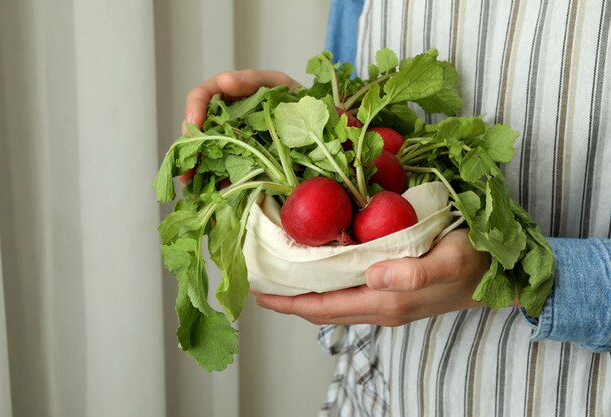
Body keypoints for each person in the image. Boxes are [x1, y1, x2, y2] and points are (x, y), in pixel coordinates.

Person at [183, 0, 611, 415]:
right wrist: (298, 114)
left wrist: (518, 274)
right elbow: (348, 116)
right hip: (383, 388)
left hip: (570, 392)